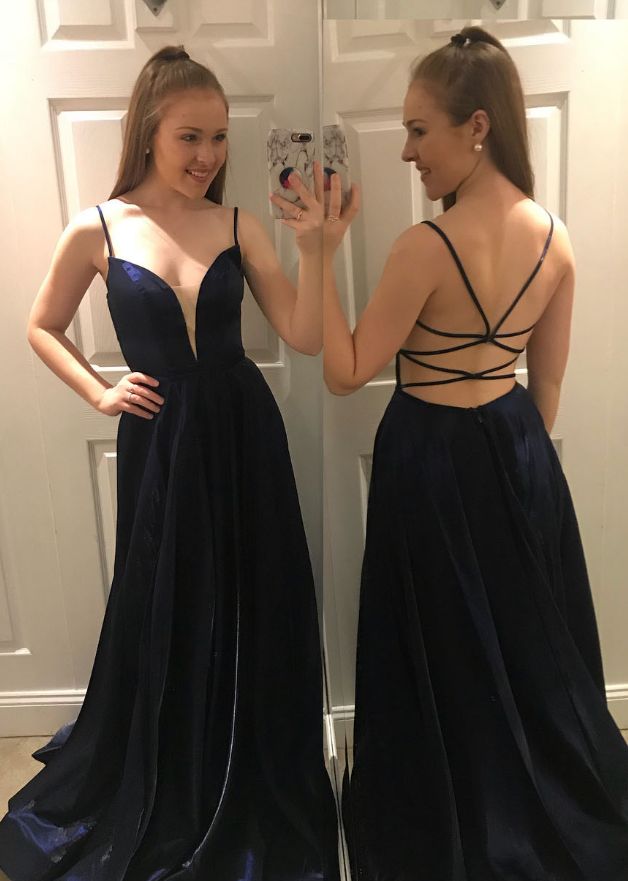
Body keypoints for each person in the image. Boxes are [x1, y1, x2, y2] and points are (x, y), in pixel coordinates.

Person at [0, 46, 339, 881]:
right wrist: (99, 391)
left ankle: (244, 755)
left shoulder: (239, 224)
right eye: (191, 136)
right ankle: (171, 759)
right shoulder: (99, 227)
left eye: (219, 138)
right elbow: (41, 324)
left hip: (242, 433)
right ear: (148, 130)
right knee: (167, 594)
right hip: (159, 440)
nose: (207, 156)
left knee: (251, 589)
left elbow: (304, 335)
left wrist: (319, 248)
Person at [320, 26, 628, 881]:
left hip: (428, 456)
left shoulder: (426, 246)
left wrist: (318, 254)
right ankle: (528, 794)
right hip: (518, 449)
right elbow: (547, 383)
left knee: (443, 645)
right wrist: (517, 464)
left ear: (478, 126)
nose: (407, 151)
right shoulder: (556, 238)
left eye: (419, 130)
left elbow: (346, 372)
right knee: (521, 643)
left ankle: (454, 805)